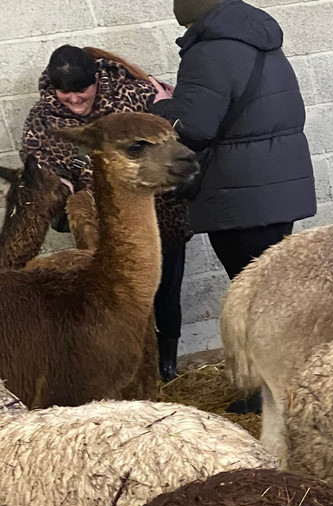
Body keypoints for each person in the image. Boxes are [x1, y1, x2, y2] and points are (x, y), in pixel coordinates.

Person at [149, 0, 316, 412]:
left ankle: (269, 394)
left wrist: (162, 105)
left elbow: (195, 127)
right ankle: (288, 386)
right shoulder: (259, 41)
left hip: (240, 192)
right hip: (273, 185)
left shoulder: (209, 50)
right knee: (271, 291)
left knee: (253, 296)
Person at [21, 45, 192, 382]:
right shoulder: (43, 120)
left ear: (96, 79)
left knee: (165, 293)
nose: (74, 99)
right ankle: (131, 374)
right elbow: (39, 168)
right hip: (99, 229)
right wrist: (58, 188)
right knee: (115, 303)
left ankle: (166, 367)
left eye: (81, 89)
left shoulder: (134, 95)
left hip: (160, 216)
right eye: (64, 91)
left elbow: (177, 139)